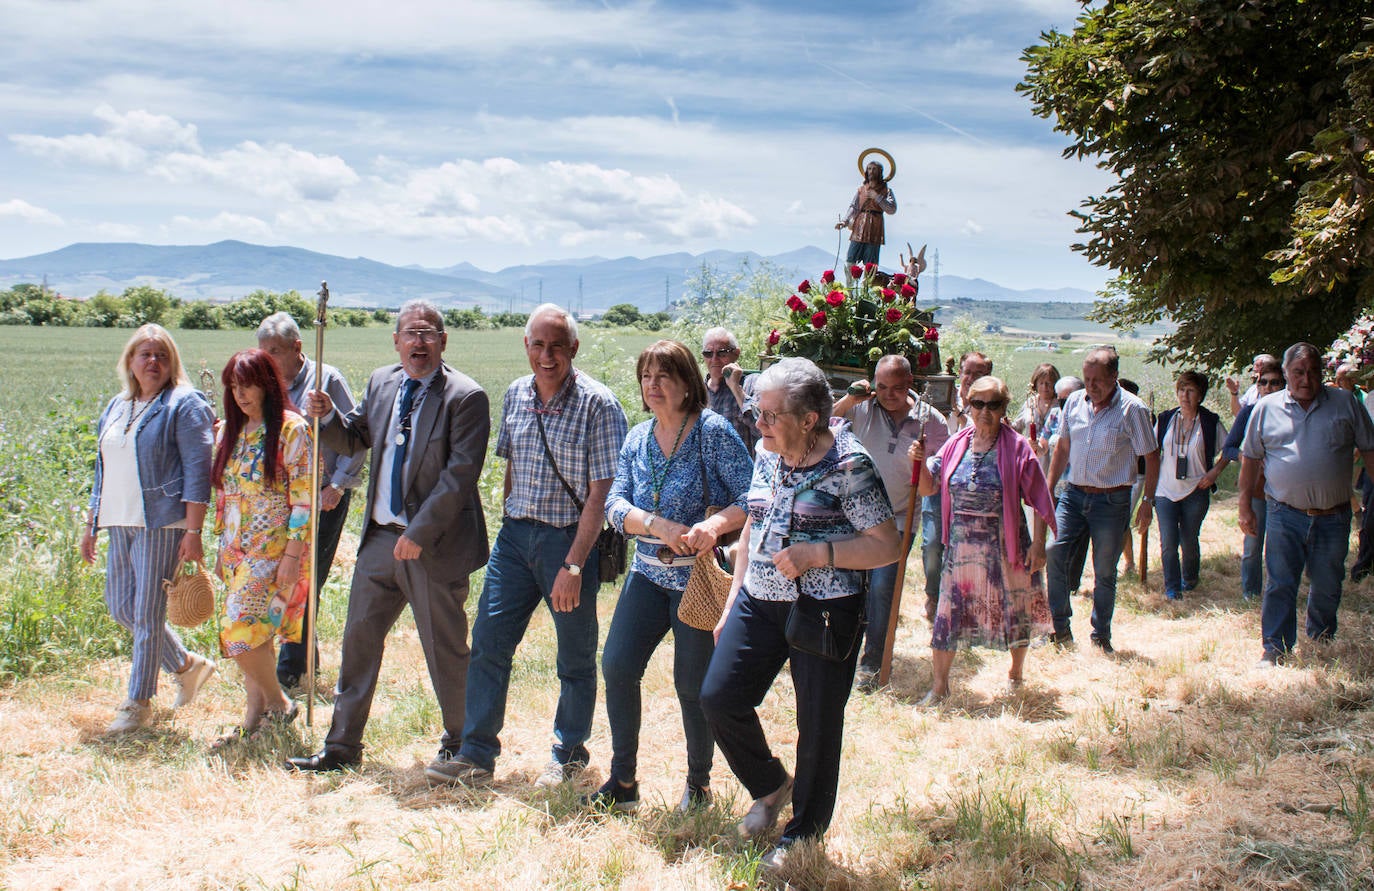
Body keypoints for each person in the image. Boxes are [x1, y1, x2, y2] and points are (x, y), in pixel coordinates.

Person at [700, 358, 899, 873]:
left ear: (809, 420)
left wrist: (819, 553)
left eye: (769, 415)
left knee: (816, 724)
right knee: (719, 697)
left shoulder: (849, 466)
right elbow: (752, 526)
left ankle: (802, 835)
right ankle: (770, 785)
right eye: (756, 412)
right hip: (758, 599)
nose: (758, 424)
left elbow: (887, 545)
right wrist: (732, 598)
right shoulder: (768, 453)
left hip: (825, 608)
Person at [288, 300, 490, 773]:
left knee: (445, 648)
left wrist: (420, 532)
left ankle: (464, 745)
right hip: (380, 539)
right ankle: (341, 748)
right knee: (358, 638)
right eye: (410, 334)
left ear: (443, 341)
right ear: (395, 341)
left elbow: (460, 476)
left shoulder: (466, 396)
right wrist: (325, 417)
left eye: (428, 333)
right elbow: (354, 436)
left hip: (431, 545)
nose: (418, 342)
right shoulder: (382, 383)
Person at [438, 303, 628, 788]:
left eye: (557, 346)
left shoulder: (599, 404)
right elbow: (510, 469)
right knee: (488, 642)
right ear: (526, 346)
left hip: (567, 542)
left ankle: (568, 756)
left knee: (575, 656)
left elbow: (600, 494)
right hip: (515, 538)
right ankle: (476, 753)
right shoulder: (515, 395)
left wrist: (574, 564)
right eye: (538, 345)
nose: (547, 356)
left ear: (573, 349)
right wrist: (508, 524)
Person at [586, 340, 753, 813]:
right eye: (646, 377)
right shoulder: (638, 437)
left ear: (687, 385)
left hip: (697, 579)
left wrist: (715, 526)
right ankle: (623, 782)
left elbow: (753, 498)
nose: (653, 385)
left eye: (664, 376)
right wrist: (656, 524)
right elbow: (615, 504)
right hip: (647, 572)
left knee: (691, 685)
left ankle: (698, 787)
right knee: (617, 666)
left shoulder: (713, 433)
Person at [79, 324, 217, 734]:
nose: (153, 362)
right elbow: (102, 469)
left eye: (161, 355)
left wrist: (193, 531)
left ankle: (137, 703)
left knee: (146, 614)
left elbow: (198, 470)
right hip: (119, 519)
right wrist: (91, 521)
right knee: (122, 607)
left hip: (162, 520)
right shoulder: (117, 405)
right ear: (130, 361)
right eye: (145, 354)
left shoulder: (184, 403)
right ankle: (186, 665)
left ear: (172, 362)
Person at [912, 375, 1055, 703]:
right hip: (962, 547)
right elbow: (927, 487)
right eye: (978, 404)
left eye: (994, 404)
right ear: (968, 406)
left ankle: (1016, 674)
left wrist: (1038, 545)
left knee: (1016, 609)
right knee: (947, 615)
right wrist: (917, 464)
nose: (985, 411)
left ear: (1004, 407)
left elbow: (1039, 497)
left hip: (1006, 545)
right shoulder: (956, 443)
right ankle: (939, 687)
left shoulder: (1017, 447)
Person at [1239, 343, 1374, 666]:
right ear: (1286, 373)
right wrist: (1244, 504)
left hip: (1334, 515)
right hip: (1284, 513)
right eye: (1298, 372)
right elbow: (1250, 459)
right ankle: (1275, 649)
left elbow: (1369, 449)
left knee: (1328, 584)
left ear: (1322, 373)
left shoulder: (1345, 403)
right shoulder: (1266, 408)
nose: (1306, 378)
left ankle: (1321, 639)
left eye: (1313, 371)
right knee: (1281, 583)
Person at [255, 312, 364, 691]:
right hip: (280, 501)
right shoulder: (267, 385)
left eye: (275, 352)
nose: (269, 361)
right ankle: (303, 663)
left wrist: (337, 485)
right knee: (282, 579)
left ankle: (291, 669)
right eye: (263, 353)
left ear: (297, 347)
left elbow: (355, 437)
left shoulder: (327, 380)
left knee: (305, 580)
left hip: (322, 499)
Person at [211, 349, 313, 744]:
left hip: (273, 552)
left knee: (237, 632)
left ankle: (281, 704)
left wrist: (292, 555)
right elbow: (224, 495)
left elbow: (304, 498)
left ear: (268, 384)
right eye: (234, 386)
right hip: (237, 550)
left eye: (248, 385)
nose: (241, 394)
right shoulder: (228, 432)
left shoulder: (291, 429)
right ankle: (254, 718)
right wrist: (222, 547)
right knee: (257, 635)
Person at [831, 355, 949, 687]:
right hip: (853, 514)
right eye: (881, 387)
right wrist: (852, 397)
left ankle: (873, 663)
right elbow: (820, 424)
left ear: (910, 384)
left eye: (896, 389)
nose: (887, 395)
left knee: (883, 588)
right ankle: (840, 651)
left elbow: (928, 488)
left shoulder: (932, 422)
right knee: (849, 585)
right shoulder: (862, 408)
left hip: (898, 517)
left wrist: (922, 462)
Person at [1046, 347, 1159, 653]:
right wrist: (1048, 487)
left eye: (1098, 380)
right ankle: (1059, 627)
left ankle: (1101, 635)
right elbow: (1063, 448)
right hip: (1073, 495)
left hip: (1112, 501)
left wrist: (1147, 500)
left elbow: (1150, 454)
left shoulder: (1132, 409)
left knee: (1104, 570)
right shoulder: (1073, 402)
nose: (1091, 386)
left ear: (1114, 377)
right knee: (1053, 552)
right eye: (1087, 379)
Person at [1153, 371, 1227, 601]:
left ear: (1200, 395)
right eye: (1182, 389)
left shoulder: (1209, 422)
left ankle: (1190, 578)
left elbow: (1230, 449)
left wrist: (1214, 472)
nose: (1185, 395)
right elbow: (1152, 452)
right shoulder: (1166, 419)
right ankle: (1173, 588)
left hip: (1197, 490)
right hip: (1165, 490)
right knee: (1168, 542)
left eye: (1191, 390)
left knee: (1188, 539)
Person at [1213, 359, 1284, 598]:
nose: (1268, 387)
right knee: (1253, 545)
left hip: (1286, 491)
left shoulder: (1292, 413)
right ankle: (1251, 593)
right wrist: (1243, 455)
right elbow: (1229, 447)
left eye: (1275, 383)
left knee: (1280, 547)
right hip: (1256, 488)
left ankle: (1279, 592)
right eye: (1263, 382)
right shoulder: (1249, 412)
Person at [702, 327, 759, 453]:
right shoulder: (697, 392)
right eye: (708, 353)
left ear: (736, 353)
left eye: (722, 353)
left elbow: (762, 429)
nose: (714, 359)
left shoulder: (751, 384)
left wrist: (735, 388)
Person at [834, 160, 897, 267]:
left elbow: (892, 209)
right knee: (850, 259)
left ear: (879, 172)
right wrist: (844, 221)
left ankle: (867, 283)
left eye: (874, 169)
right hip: (859, 226)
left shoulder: (886, 191)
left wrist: (877, 197)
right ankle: (850, 283)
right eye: (869, 168)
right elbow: (853, 207)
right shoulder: (861, 190)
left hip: (875, 227)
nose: (871, 171)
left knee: (871, 263)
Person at [1011, 363, 1060, 474]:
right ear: (1035, 384)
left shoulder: (1060, 405)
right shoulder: (1030, 402)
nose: (1044, 387)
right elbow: (1017, 428)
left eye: (1048, 383)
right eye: (1041, 383)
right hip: (1029, 458)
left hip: (1052, 461)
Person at [947, 352, 994, 434]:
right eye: (967, 372)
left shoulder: (991, 405)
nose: (971, 378)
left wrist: (957, 411)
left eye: (978, 374)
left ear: (987, 377)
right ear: (960, 373)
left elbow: (982, 434)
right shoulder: (946, 396)